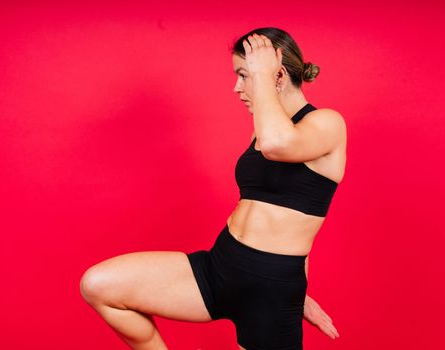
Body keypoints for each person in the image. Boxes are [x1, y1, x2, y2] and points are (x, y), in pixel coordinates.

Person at [80, 27, 346, 350]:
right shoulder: (263, 130)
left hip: (270, 293)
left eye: (243, 75)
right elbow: (283, 211)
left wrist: (262, 74)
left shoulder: (327, 124)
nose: (237, 87)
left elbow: (278, 146)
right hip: (220, 268)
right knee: (98, 286)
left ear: (276, 75)